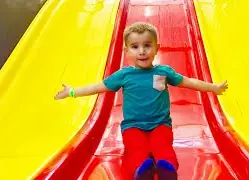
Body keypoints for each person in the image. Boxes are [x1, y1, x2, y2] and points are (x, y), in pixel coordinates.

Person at [54, 22, 228, 180]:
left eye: (147, 45)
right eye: (135, 47)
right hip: (133, 126)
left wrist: (213, 88)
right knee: (136, 148)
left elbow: (188, 82)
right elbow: (98, 87)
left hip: (160, 124)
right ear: (126, 51)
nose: (142, 51)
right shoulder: (124, 75)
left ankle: (168, 169)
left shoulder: (164, 72)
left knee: (163, 147)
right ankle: (141, 170)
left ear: (157, 48)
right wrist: (71, 92)